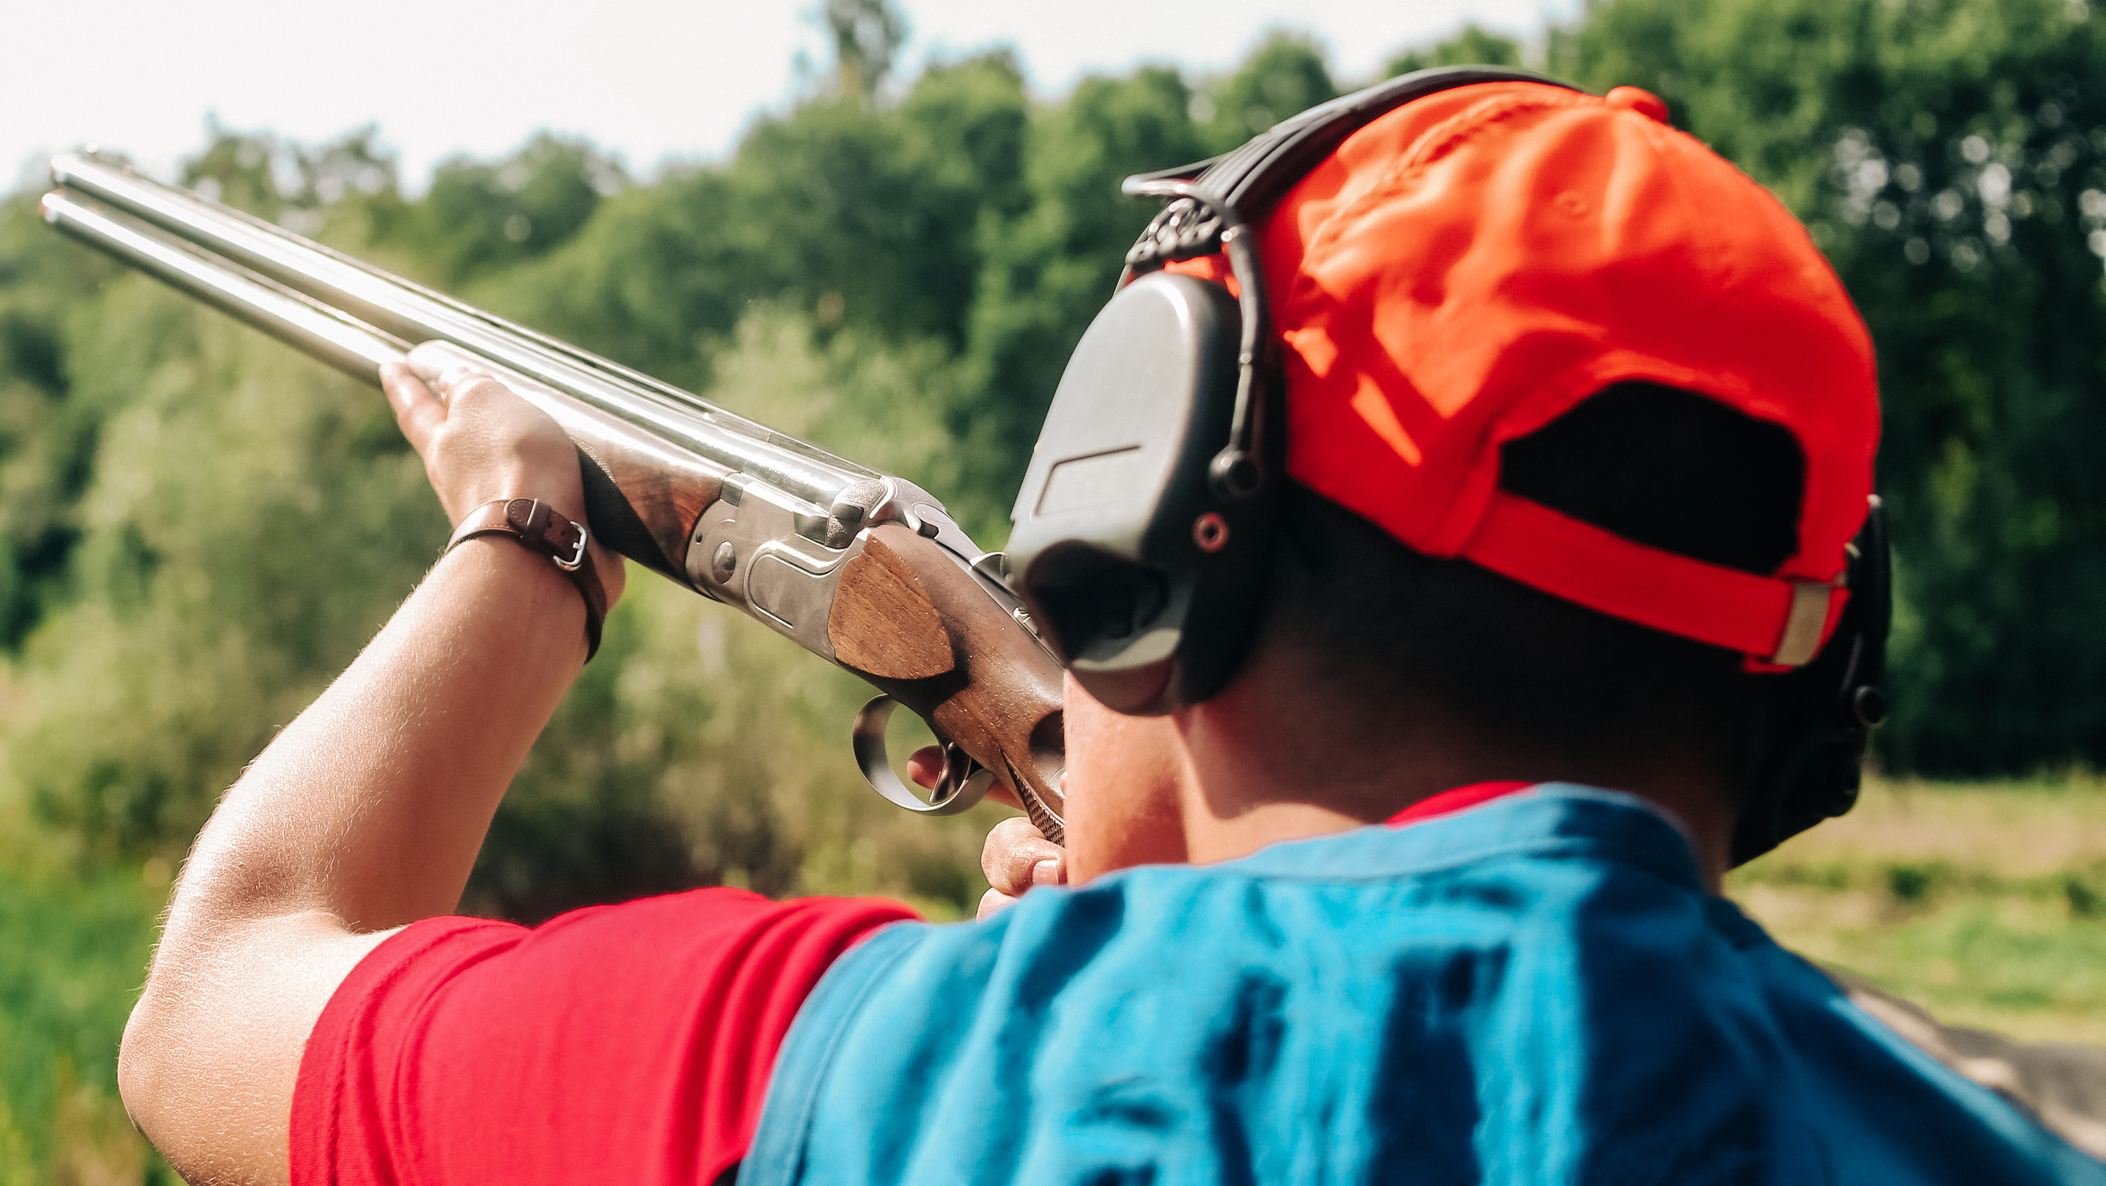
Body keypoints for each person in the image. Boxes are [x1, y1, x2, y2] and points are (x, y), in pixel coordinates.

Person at [115, 77, 2106, 1184]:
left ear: (1154, 522)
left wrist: (526, 542)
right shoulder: (1986, 1141)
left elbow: (218, 1005)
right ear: (1797, 693)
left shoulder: (842, 1078)